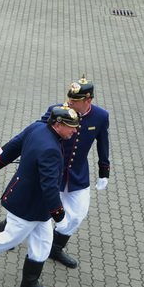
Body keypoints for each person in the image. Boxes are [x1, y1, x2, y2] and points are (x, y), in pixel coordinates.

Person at [0, 105, 81, 287]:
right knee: (11, 238)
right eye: (71, 127)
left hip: (33, 202)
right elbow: (50, 187)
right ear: (58, 125)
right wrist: (59, 214)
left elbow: (15, 144)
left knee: (43, 241)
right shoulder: (50, 149)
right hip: (28, 204)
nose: (74, 131)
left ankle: (30, 282)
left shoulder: (38, 127)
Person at [42, 77, 111, 269]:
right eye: (69, 99)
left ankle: (55, 248)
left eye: (75, 101)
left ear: (87, 100)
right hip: (52, 172)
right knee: (37, 209)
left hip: (77, 175)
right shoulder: (56, 111)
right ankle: (8, 229)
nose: (69, 103)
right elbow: (37, 132)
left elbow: (103, 143)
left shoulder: (100, 116)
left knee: (78, 213)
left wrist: (104, 171)